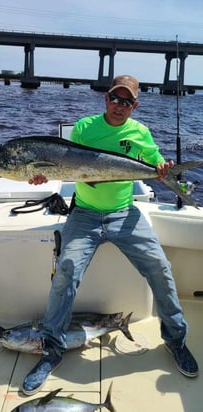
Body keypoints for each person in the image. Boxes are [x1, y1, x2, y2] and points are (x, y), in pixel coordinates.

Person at [22, 74, 198, 395]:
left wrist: (162, 169)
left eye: (126, 101)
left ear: (135, 105)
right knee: (66, 271)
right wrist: (41, 174)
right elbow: (68, 164)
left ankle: (175, 339)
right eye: (115, 99)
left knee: (160, 267)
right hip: (85, 214)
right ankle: (51, 346)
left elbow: (156, 161)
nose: (119, 106)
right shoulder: (84, 128)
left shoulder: (140, 132)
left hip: (125, 214)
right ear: (106, 99)